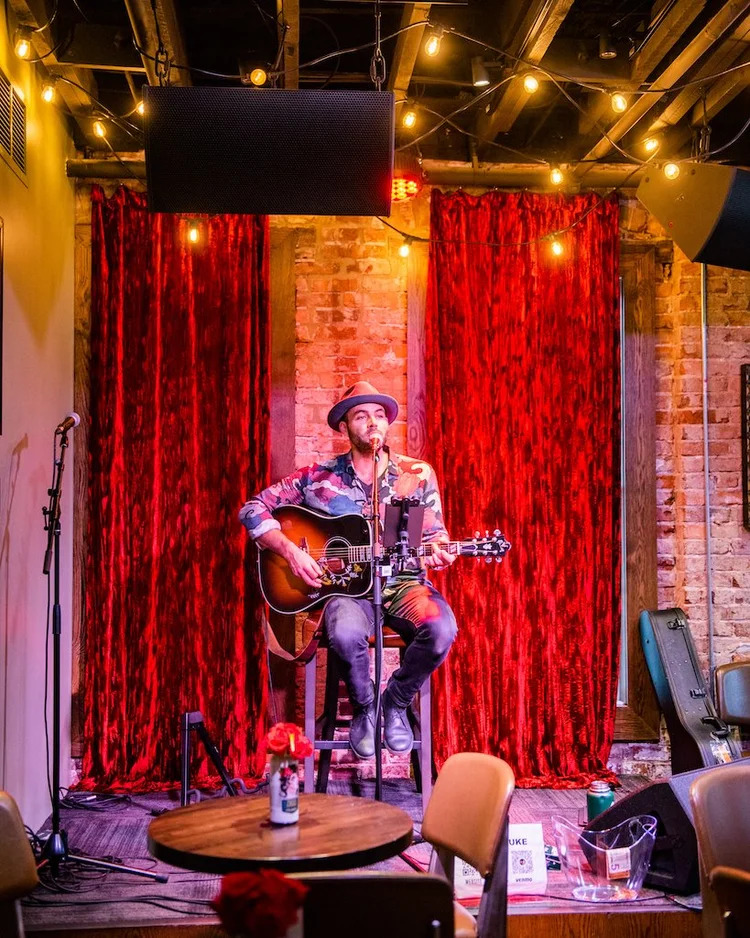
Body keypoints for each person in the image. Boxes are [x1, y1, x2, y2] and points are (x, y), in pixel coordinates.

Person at [239, 381, 458, 759]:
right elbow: (252, 508)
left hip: (403, 585)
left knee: (442, 629)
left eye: (379, 415)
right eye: (361, 416)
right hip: (348, 592)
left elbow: (434, 534)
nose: (373, 423)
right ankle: (364, 707)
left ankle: (394, 702)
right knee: (343, 631)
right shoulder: (318, 477)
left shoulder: (417, 474)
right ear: (344, 427)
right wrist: (290, 552)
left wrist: (440, 549)